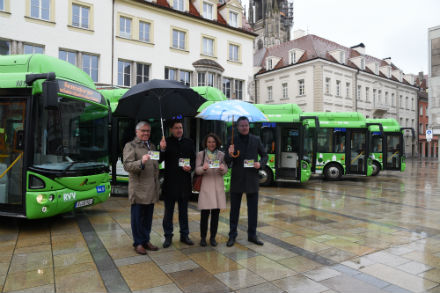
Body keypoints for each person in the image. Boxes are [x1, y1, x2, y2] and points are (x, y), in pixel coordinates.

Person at [225, 116, 268, 247]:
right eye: (242, 125)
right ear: (237, 127)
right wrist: (229, 154)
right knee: (234, 210)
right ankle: (232, 235)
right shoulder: (232, 140)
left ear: (249, 126)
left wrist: (260, 164)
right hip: (237, 179)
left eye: (246, 125)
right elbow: (227, 161)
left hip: (252, 179)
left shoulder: (256, 140)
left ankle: (252, 235)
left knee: (253, 210)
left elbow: (265, 155)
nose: (244, 127)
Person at [123, 121, 160, 255]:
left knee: (148, 217)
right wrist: (141, 162)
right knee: (137, 218)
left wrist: (163, 149)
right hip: (138, 189)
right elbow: (127, 165)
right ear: (137, 132)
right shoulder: (130, 146)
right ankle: (138, 243)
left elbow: (156, 165)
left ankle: (146, 240)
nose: (146, 133)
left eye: (148, 131)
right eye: (143, 131)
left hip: (151, 188)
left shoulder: (152, 146)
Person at [159, 120, 195, 248]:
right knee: (168, 212)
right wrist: (162, 149)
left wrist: (190, 167)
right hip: (170, 184)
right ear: (171, 130)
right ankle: (168, 236)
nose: (179, 130)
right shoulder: (166, 142)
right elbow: (159, 160)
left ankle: (184, 235)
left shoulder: (189, 142)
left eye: (180, 127)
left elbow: (194, 161)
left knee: (184, 212)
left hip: (184, 184)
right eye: (176, 128)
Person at [195, 133, 228, 247]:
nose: (211, 144)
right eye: (209, 142)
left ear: (217, 143)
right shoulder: (201, 154)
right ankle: (203, 238)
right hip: (206, 188)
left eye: (213, 142)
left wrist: (223, 169)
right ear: (206, 143)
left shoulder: (221, 155)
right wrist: (202, 168)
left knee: (215, 215)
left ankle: (213, 237)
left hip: (217, 188)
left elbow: (225, 170)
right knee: (204, 214)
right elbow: (197, 170)